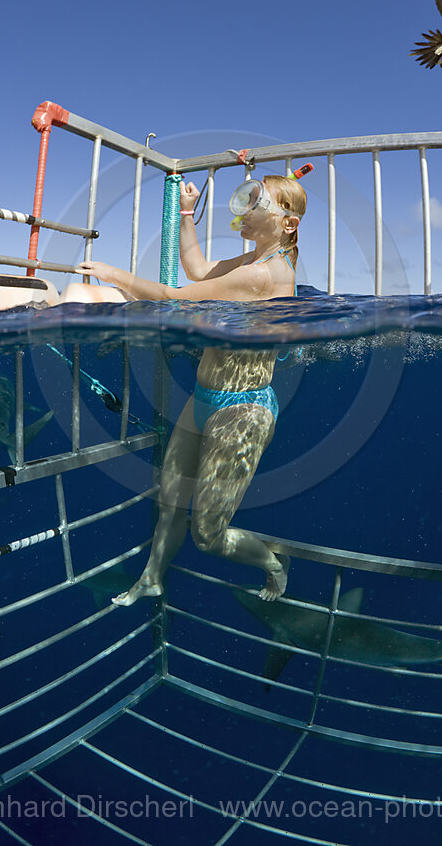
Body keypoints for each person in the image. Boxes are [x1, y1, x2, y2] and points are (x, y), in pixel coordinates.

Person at [76, 174, 306, 604]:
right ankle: (152, 577)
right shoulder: (249, 263)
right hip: (204, 400)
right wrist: (186, 213)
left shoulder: (262, 275)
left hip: (243, 410)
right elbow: (197, 269)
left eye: (259, 203)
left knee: (209, 534)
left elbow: (174, 296)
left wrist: (113, 274)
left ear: (287, 224)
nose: (247, 208)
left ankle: (274, 564)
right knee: (170, 500)